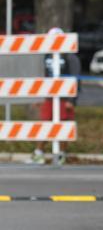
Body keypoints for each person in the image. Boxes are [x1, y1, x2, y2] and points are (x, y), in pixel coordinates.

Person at [28, 27, 81, 165]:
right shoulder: (46, 56)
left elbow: (76, 78)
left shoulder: (70, 57)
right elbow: (41, 76)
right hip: (48, 97)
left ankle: (61, 154)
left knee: (63, 125)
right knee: (45, 124)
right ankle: (39, 153)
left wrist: (71, 100)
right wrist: (39, 96)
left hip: (64, 97)